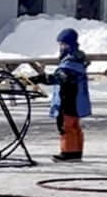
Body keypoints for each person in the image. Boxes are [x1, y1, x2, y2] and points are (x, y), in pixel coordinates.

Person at [29, 28, 90, 162]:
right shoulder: (76, 59)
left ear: (71, 45)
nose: (62, 47)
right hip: (75, 98)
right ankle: (76, 151)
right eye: (61, 44)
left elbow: (60, 78)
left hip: (69, 98)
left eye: (64, 45)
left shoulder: (71, 62)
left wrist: (40, 78)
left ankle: (69, 152)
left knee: (66, 125)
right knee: (73, 125)